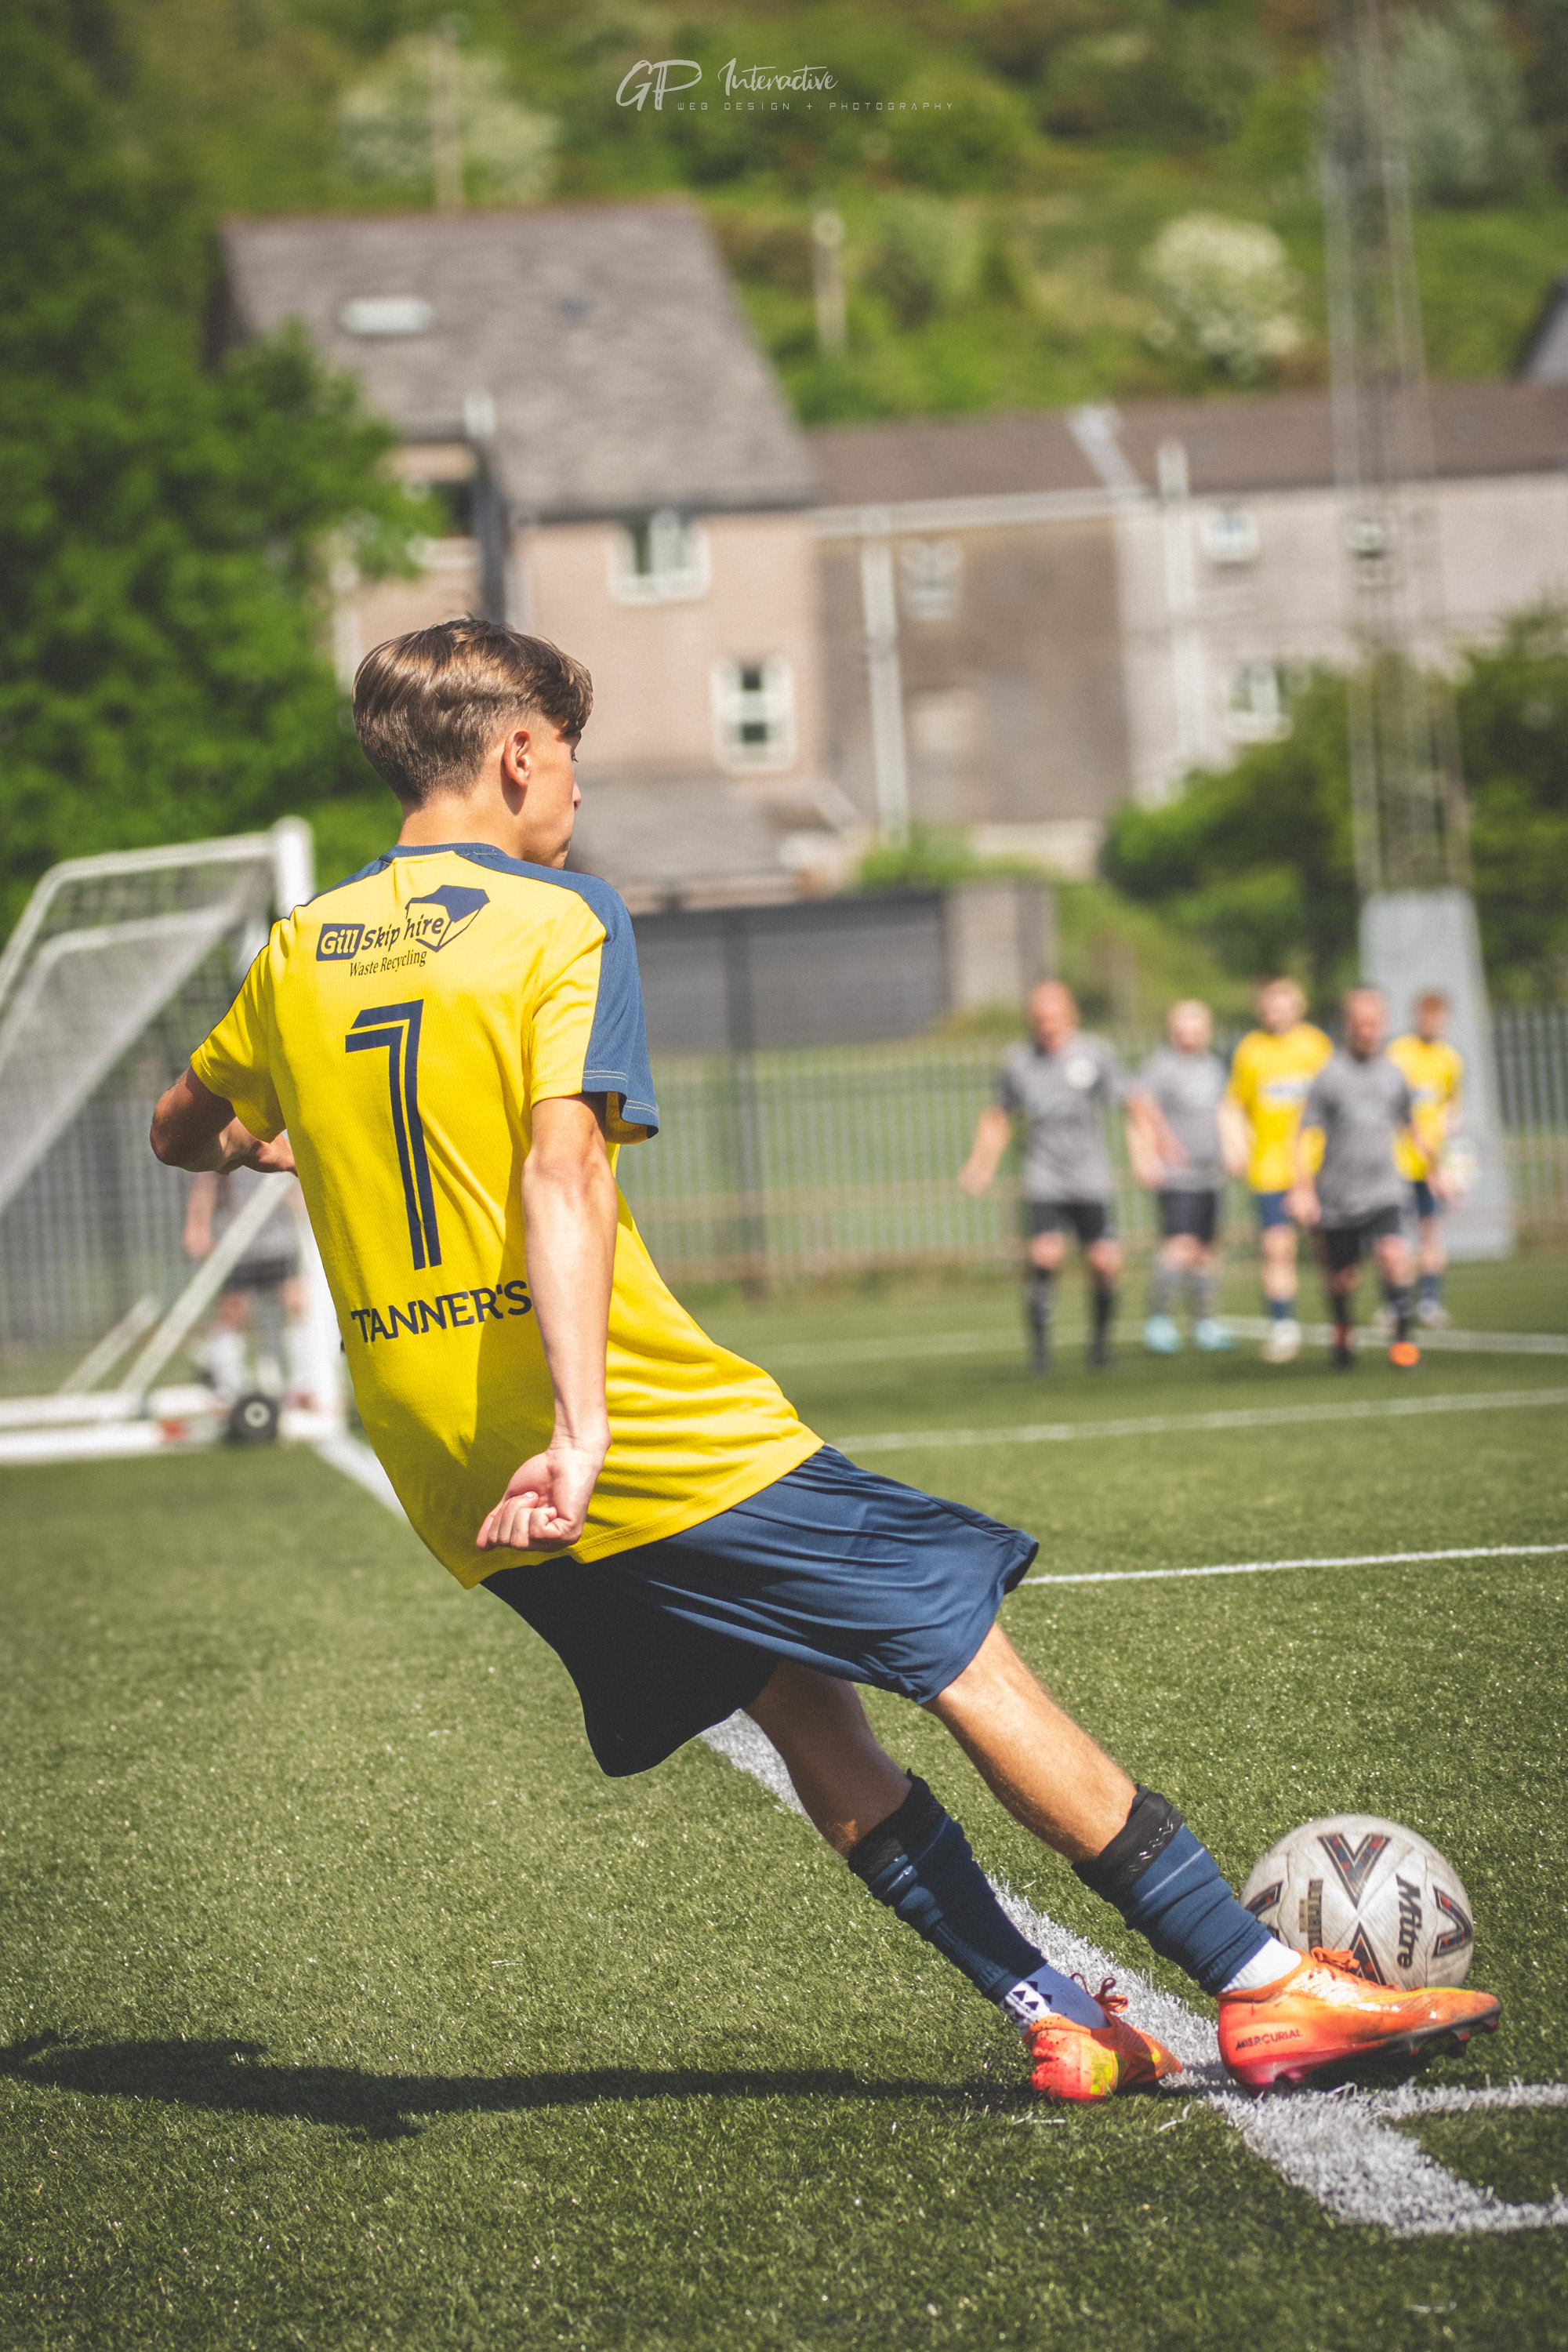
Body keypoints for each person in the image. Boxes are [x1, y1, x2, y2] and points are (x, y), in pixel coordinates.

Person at [149, 618, 1496, 2103]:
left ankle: (1056, 2012)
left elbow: (181, 1131)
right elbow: (563, 1178)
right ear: (518, 751)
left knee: (803, 1708)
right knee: (962, 1654)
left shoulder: (298, 951)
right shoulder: (557, 921)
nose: (578, 795)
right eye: (573, 759)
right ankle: (1261, 1985)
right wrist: (588, 1428)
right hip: (631, 1433)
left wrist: (297, 1140)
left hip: (445, 1464)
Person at [960, 984, 1159, 1375]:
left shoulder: (1093, 1054)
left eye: (1053, 1015)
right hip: (1044, 1175)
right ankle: (1040, 1354)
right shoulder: (1018, 1062)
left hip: (1089, 1176)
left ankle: (1100, 1347)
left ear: (1070, 1015)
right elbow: (999, 1116)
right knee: (1044, 1255)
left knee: (1103, 1263)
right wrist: (980, 1164)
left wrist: (1144, 1154)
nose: (1046, 1024)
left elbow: (1133, 1102)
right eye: (1039, 1017)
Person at [1290, 987, 1434, 1371]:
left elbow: (1411, 1123)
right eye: (1360, 1023)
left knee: (1393, 1254)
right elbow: (1305, 1133)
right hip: (1338, 1193)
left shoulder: (1394, 1073)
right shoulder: (1329, 1075)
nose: (1368, 1031)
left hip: (1386, 1187)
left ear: (1384, 1025)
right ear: (1348, 1024)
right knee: (1342, 1278)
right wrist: (1302, 1188)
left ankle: (1403, 1341)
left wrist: (1437, 1170)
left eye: (1375, 1023)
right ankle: (1342, 1331)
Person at [1220, 978, 1331, 1365]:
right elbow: (1233, 1105)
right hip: (1270, 1167)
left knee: (1328, 1248)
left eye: (1283, 1006)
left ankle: (1341, 1322)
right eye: (1269, 1007)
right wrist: (1235, 1144)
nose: (1275, 1014)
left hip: (1317, 1165)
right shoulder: (1251, 1050)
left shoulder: (1316, 1046)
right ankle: (1283, 1326)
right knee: (1275, 1247)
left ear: (1298, 1007)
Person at [1134, 999, 1235, 1356]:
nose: (1188, 1030)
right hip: (1177, 1173)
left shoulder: (1212, 1067)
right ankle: (1159, 1320)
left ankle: (1205, 1322)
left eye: (1195, 1023)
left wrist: (1233, 1149)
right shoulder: (1160, 1067)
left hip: (1208, 1173)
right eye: (1182, 1023)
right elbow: (1140, 1111)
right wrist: (1146, 1157)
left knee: (1206, 1252)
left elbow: (1224, 1112)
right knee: (1180, 1247)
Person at [183, 1164, 313, 1404]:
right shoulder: (221, 1133)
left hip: (278, 1238)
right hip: (235, 1238)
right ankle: (231, 1389)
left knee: (295, 1302)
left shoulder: (278, 1132)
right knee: (232, 1310)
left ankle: (303, 1384)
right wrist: (197, 1226)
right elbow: (204, 1183)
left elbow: (295, 1171)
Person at [1387, 992, 1464, 1329]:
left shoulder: (1450, 1059)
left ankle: (1430, 1301)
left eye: (1439, 1017)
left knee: (1431, 1230)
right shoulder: (1398, 1053)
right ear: (1416, 1016)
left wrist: (1446, 1146)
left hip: (1433, 1165)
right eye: (1427, 1016)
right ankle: (1394, 1304)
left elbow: (1452, 1105)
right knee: (1393, 1237)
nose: (1433, 1023)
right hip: (1398, 1161)